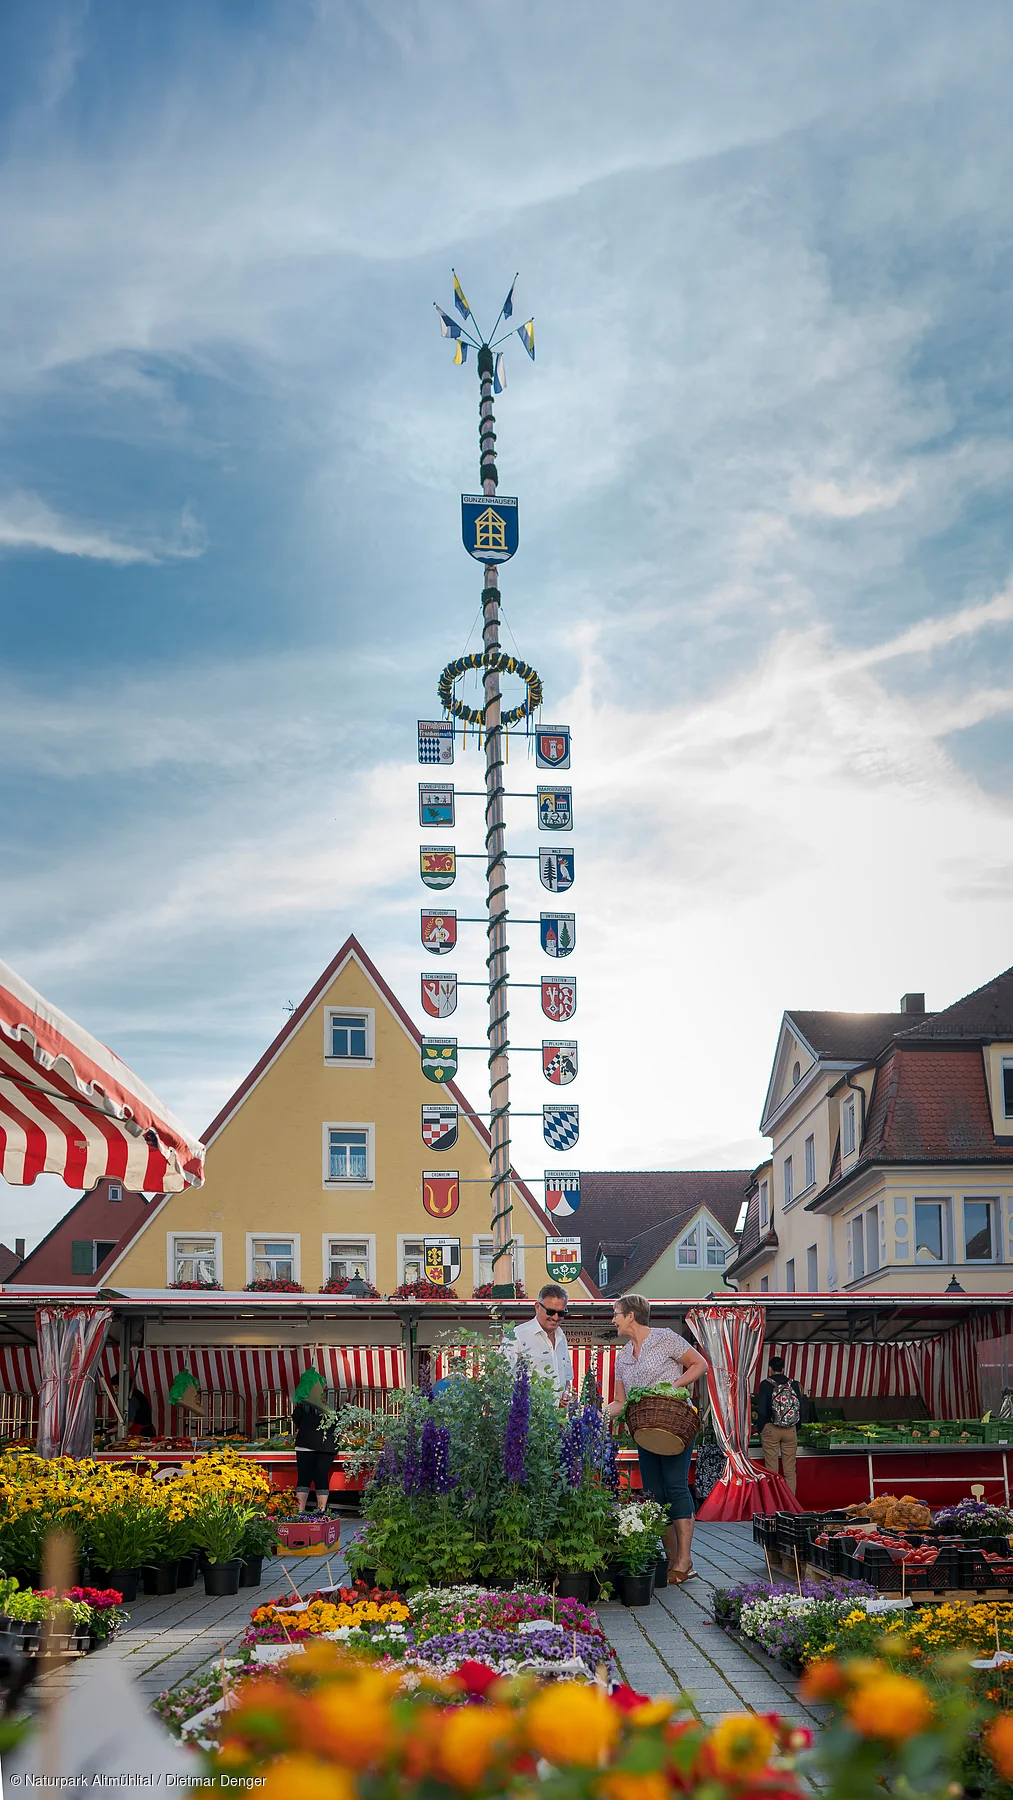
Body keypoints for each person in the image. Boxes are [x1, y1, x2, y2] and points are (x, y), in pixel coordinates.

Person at [606, 1294, 710, 1585]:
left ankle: (685, 1560)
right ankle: (673, 1561)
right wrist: (595, 1414)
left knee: (676, 1485)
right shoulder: (623, 1356)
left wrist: (673, 1386)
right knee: (654, 1493)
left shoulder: (665, 1338)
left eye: (616, 1314)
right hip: (645, 1431)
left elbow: (699, 1364)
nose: (613, 1320)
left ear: (630, 1316)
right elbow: (620, 1401)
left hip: (675, 1425)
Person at [505, 1284, 573, 1398]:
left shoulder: (561, 1337)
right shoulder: (516, 1336)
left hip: (557, 1410)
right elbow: (499, 1378)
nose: (556, 1317)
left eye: (561, 1313)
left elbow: (567, 1379)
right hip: (526, 1408)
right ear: (537, 1307)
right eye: (550, 1312)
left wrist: (565, 1394)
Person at [756, 1355, 810, 1494]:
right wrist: (796, 1427)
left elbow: (762, 1410)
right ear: (783, 1369)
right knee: (790, 1470)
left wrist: (761, 1428)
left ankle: (774, 1501)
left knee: (772, 1470)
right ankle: (790, 1502)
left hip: (771, 1429)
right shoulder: (793, 1384)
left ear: (769, 1369)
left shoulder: (765, 1384)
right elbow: (801, 1407)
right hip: (790, 1430)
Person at [291, 1369, 337, 1515]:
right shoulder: (329, 1406)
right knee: (321, 1476)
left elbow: (297, 1419)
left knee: (303, 1478)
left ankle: (300, 1512)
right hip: (326, 1445)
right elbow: (337, 1423)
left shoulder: (302, 1406)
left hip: (305, 1443)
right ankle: (321, 1511)